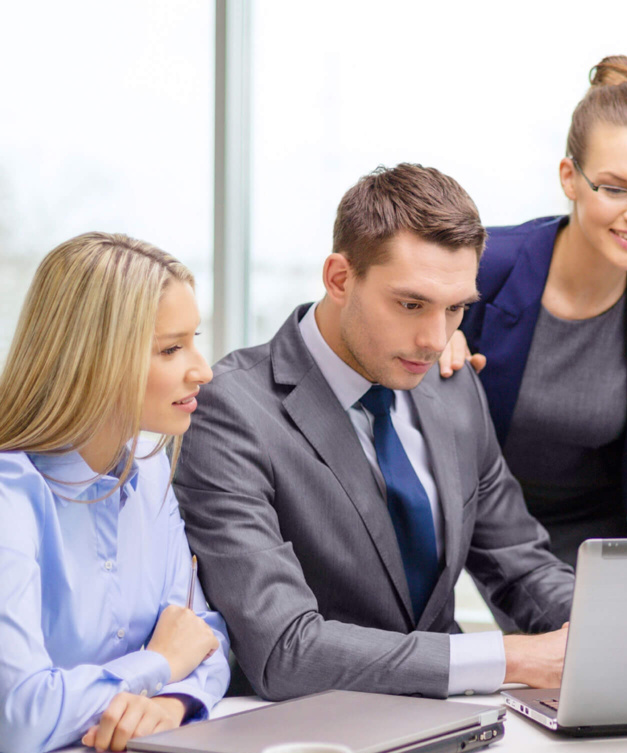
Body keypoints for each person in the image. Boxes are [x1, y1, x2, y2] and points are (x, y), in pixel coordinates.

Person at [173, 163, 574, 702]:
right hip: (311, 738)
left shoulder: (453, 387)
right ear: (339, 278)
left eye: (455, 309)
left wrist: (607, 629)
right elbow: (284, 650)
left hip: (456, 731)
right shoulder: (231, 409)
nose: (435, 339)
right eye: (411, 304)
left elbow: (519, 564)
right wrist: (509, 657)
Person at [448, 55, 627, 564]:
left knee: (600, 643)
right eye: (615, 189)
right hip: (471, 511)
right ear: (569, 178)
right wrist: (436, 330)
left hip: (594, 530)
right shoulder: (485, 265)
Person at [0, 233, 229, 753]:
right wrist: (157, 666)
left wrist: (171, 704)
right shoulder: (11, 494)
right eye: (171, 348)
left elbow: (205, 639)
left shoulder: (150, 478)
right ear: (94, 359)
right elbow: (21, 715)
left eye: (193, 339)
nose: (203, 370)